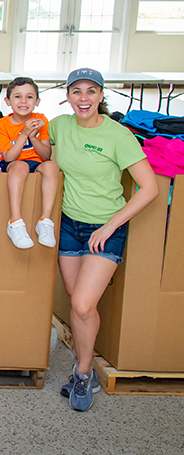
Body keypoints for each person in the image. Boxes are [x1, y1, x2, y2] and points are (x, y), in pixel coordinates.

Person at [51, 68, 158, 412]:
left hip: (104, 228)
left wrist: (110, 226)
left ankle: (83, 373)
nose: (84, 98)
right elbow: (43, 154)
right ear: (67, 95)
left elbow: (150, 188)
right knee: (77, 301)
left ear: (101, 96)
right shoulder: (59, 126)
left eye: (91, 91)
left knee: (82, 305)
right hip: (69, 225)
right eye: (77, 91)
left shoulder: (118, 135)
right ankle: (87, 367)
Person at [0, 76, 60, 249]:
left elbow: (46, 155)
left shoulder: (41, 119)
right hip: (13, 163)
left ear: (37, 101)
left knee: (52, 166)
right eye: (17, 96)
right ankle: (15, 221)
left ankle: (45, 221)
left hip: (36, 162)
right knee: (21, 165)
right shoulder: (2, 124)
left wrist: (33, 136)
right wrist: (23, 134)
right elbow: (9, 158)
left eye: (29, 97)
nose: (23, 101)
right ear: (8, 101)